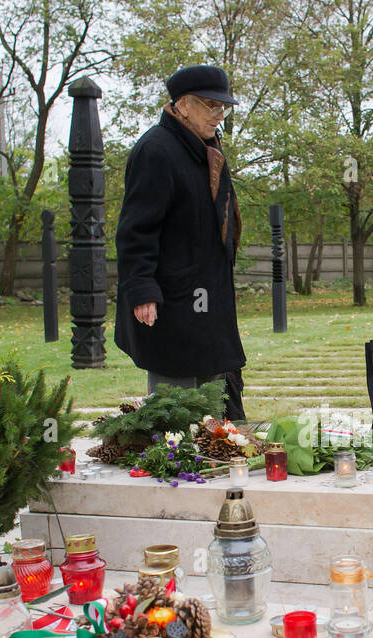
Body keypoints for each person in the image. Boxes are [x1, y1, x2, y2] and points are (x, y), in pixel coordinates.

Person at [115, 64, 247, 421]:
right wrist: (141, 290)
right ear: (183, 105)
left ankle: (219, 457)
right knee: (175, 402)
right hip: (171, 299)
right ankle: (176, 464)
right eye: (211, 106)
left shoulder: (206, 149)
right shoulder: (156, 150)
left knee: (218, 388)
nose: (219, 116)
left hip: (208, 294)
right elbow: (135, 229)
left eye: (223, 108)